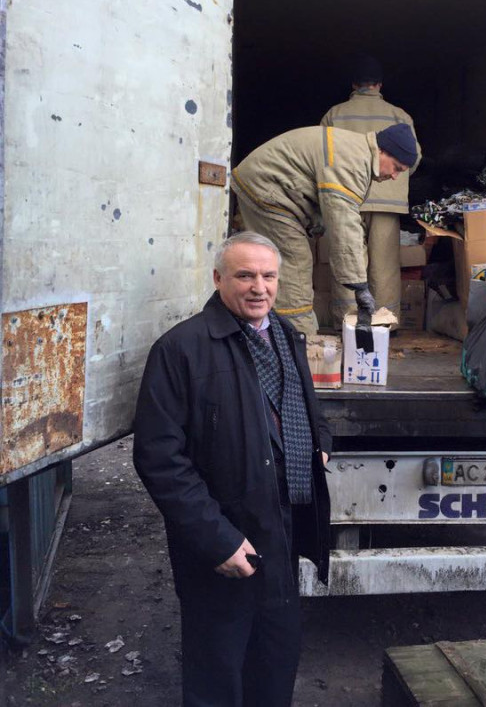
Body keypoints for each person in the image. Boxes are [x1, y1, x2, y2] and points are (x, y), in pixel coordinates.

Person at [132, 232, 332, 707]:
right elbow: (159, 458)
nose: (259, 287)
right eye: (245, 275)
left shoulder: (284, 333)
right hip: (224, 540)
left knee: (275, 660)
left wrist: (319, 444)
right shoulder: (181, 349)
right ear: (218, 278)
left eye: (268, 276)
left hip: (282, 529)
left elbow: (307, 405)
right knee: (217, 672)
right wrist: (216, 539)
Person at [230, 122, 418, 336]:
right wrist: (359, 285)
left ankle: (268, 331)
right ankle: (300, 341)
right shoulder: (353, 163)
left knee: (277, 264)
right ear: (383, 150)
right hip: (266, 189)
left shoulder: (357, 153)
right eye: (396, 168)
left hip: (267, 186)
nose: (394, 176)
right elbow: (345, 228)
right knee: (295, 264)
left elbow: (329, 202)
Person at [321, 55, 421, 327]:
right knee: (384, 266)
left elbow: (322, 157)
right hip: (387, 202)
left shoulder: (335, 114)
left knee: (347, 257)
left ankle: (347, 323)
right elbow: (413, 159)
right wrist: (393, 181)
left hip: (345, 198)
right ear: (379, 85)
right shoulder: (399, 115)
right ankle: (386, 324)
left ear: (354, 84)